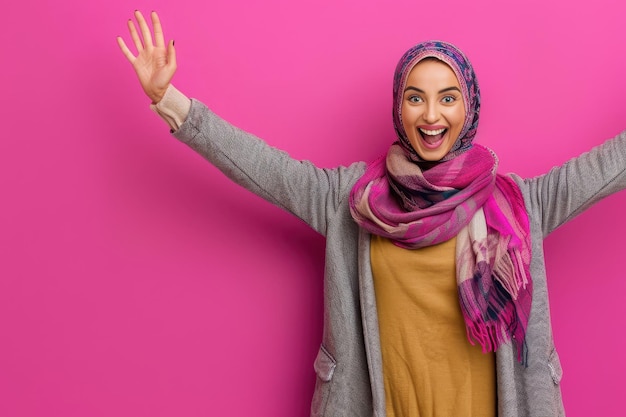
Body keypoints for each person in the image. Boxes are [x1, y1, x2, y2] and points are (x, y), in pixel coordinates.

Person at [117, 10, 626, 417]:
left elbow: (607, 167)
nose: (431, 115)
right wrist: (170, 100)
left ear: (468, 107)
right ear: (398, 109)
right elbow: (263, 169)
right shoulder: (352, 201)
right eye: (415, 98)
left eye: (448, 99)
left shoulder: (517, 205)